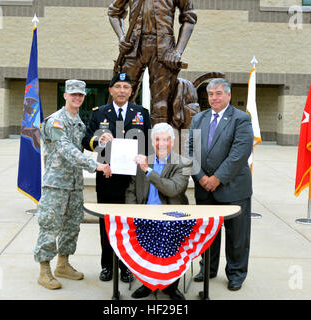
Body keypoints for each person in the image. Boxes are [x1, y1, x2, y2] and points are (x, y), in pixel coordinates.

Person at [34, 79, 111, 290]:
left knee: (71, 226)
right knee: (50, 225)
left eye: (80, 95)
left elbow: (86, 143)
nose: (77, 97)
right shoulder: (55, 121)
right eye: (73, 94)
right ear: (65, 95)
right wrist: (94, 165)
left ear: (83, 97)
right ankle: (44, 269)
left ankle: (63, 264)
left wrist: (101, 141)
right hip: (56, 185)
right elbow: (65, 149)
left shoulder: (78, 122)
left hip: (74, 185)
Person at [82, 72, 151, 283]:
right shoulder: (99, 113)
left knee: (129, 225)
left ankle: (127, 267)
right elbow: (86, 140)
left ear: (132, 91)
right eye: (118, 86)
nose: (122, 90)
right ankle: (107, 266)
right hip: (107, 176)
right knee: (107, 224)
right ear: (111, 90)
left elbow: (148, 143)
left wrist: (144, 156)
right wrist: (99, 140)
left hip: (132, 180)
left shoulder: (141, 113)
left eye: (126, 87)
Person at [187, 78, 253, 291]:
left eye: (218, 93)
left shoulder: (241, 119)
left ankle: (236, 274)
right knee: (208, 234)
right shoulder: (199, 119)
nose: (214, 98)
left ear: (228, 95)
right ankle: (207, 268)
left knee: (237, 236)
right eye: (211, 94)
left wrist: (216, 179)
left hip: (233, 188)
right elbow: (190, 150)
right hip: (204, 188)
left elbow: (239, 154)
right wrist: (201, 177)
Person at [125, 122, 192, 300]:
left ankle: (171, 287)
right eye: (157, 139)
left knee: (171, 245)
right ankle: (148, 284)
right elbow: (131, 190)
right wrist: (133, 214)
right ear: (152, 142)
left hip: (172, 215)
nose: (161, 144)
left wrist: (148, 170)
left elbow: (172, 189)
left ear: (172, 141)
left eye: (166, 140)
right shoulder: (145, 160)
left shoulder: (183, 163)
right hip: (145, 214)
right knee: (143, 245)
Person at [108, 0, 197, 125]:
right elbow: (114, 12)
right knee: (120, 97)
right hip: (133, 48)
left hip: (164, 50)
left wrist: (178, 51)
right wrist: (121, 36)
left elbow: (189, 17)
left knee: (161, 105)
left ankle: (159, 142)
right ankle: (116, 138)